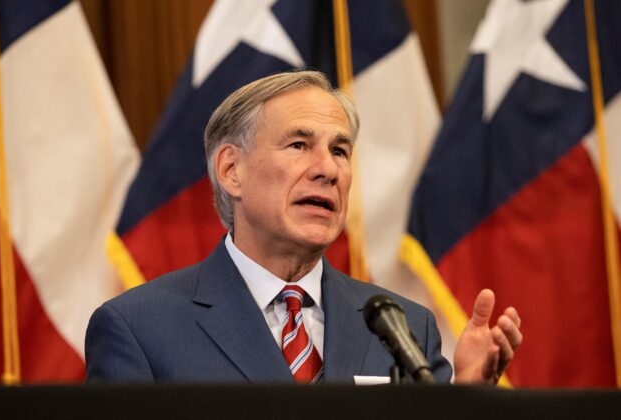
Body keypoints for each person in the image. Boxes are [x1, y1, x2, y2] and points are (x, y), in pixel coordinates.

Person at [85, 70, 522, 384]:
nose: (327, 169)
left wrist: (465, 402)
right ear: (231, 170)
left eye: (340, 150)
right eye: (299, 145)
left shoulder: (405, 327)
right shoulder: (139, 329)